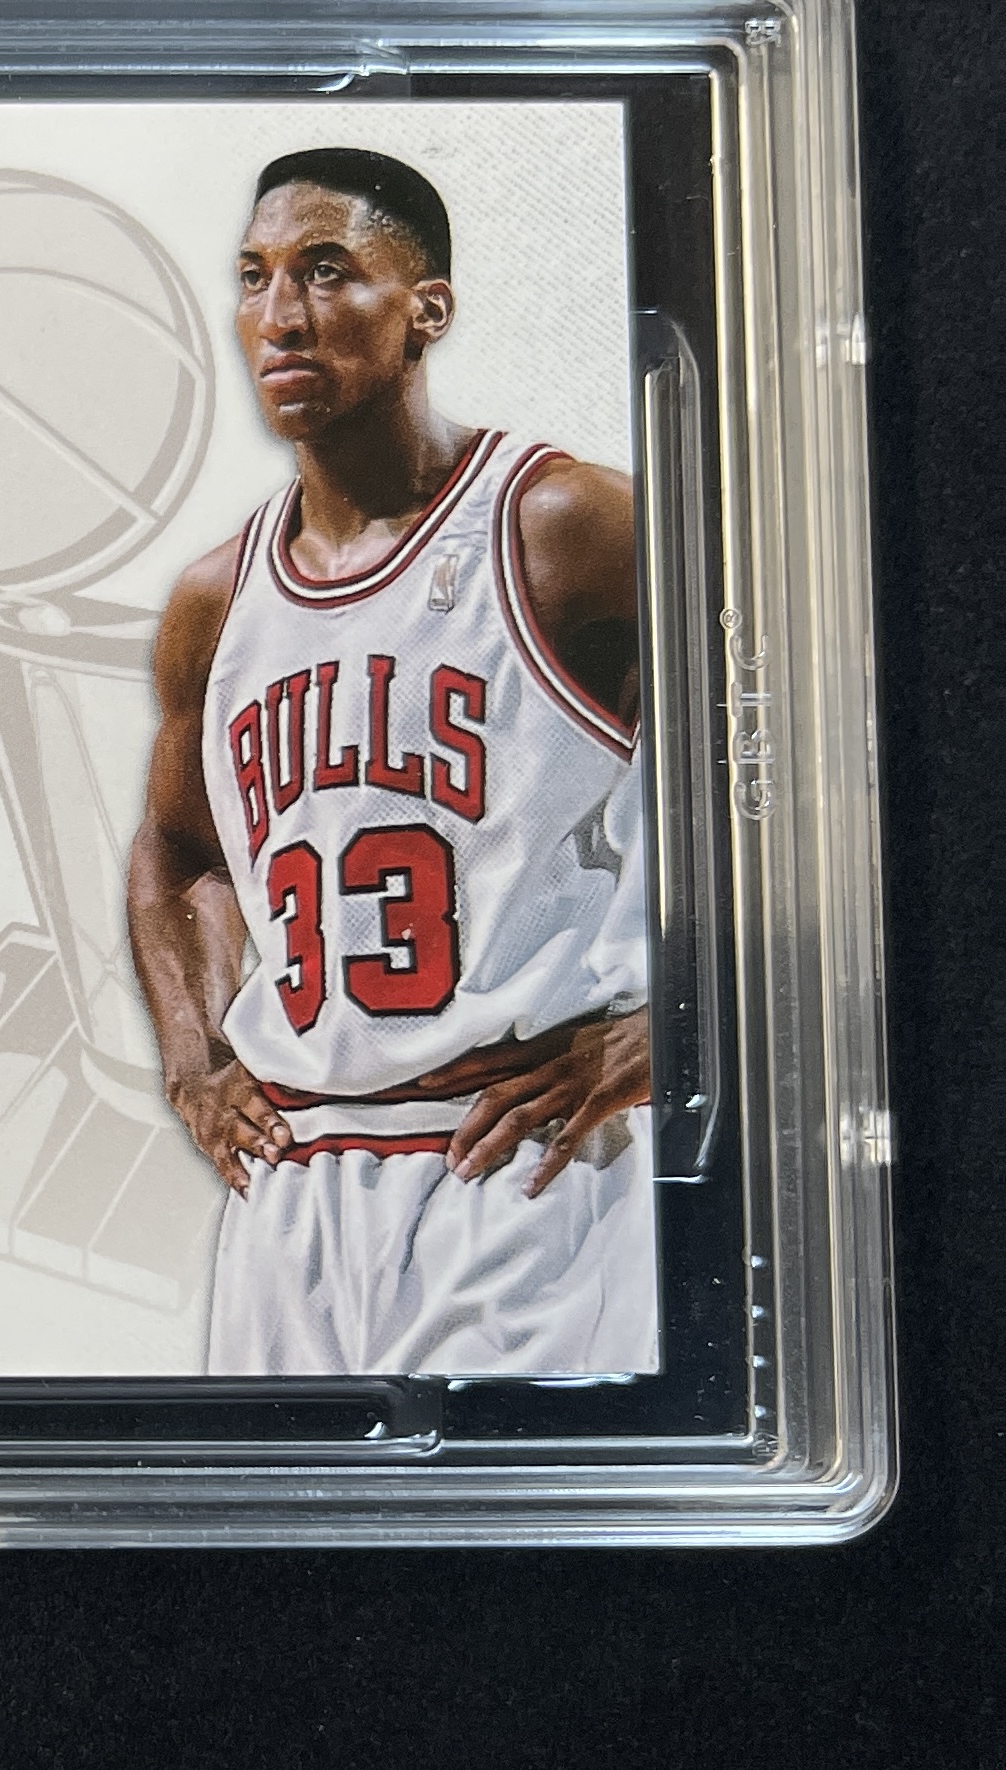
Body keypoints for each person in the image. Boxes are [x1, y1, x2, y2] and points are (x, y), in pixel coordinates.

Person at [125, 147, 655, 1375]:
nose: (281, 316)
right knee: (276, 1509)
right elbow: (181, 850)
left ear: (429, 308)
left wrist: (694, 1019)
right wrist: (195, 1062)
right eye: (254, 277)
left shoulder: (565, 524)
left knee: (508, 1506)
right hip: (292, 1176)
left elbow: (787, 777)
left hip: (515, 1155)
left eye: (326, 271)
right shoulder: (216, 598)